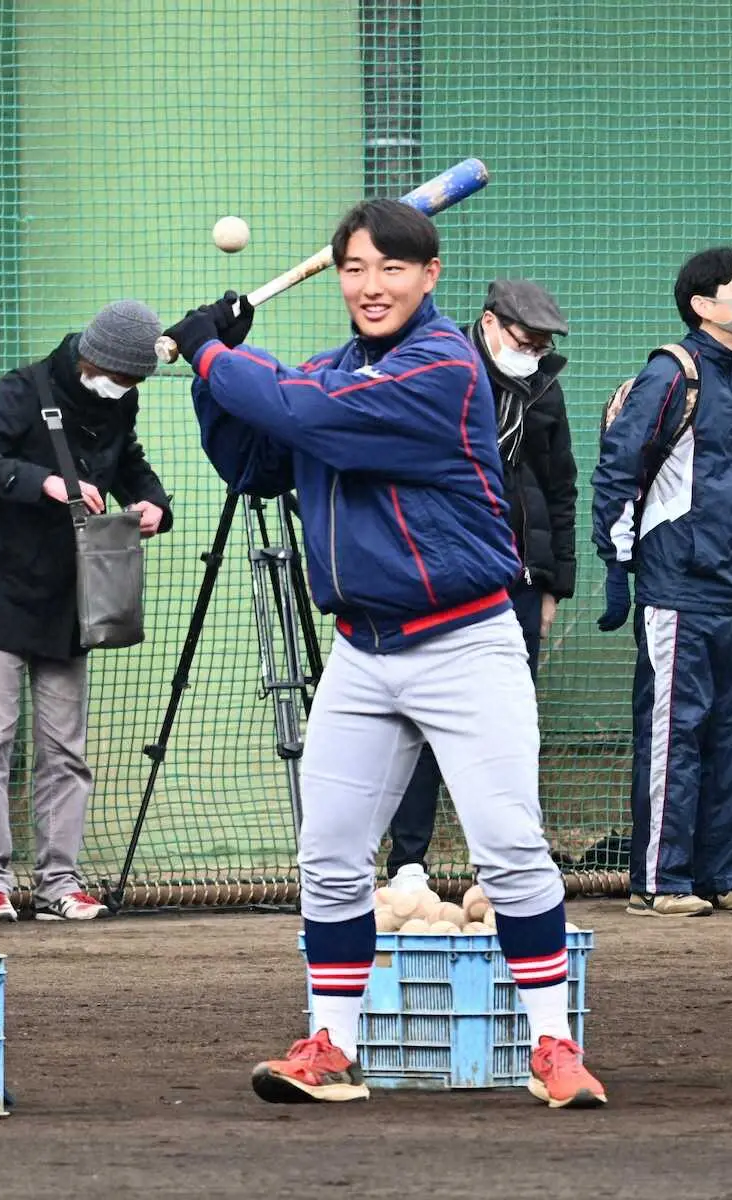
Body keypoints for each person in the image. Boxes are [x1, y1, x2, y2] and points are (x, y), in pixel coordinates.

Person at [164, 199, 605, 1108]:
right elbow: (255, 462)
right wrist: (215, 378)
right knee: (328, 858)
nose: (371, 286)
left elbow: (307, 415)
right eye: (355, 268)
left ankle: (554, 1047)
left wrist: (214, 352)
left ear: (429, 275)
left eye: (392, 268)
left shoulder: (442, 365)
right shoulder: (329, 370)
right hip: (362, 652)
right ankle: (332, 1046)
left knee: (508, 848)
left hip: (465, 641)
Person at [0, 300, 173, 923]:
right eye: (121, 376)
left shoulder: (120, 400)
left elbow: (129, 463)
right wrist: (43, 481)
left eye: (135, 381)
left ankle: (58, 884)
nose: (125, 388)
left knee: (66, 750)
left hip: (70, 601)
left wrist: (153, 503)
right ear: (95, 358)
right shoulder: (23, 389)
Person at [591, 248, 732, 918]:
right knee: (675, 730)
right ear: (702, 304)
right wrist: (616, 566)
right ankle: (660, 881)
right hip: (677, 584)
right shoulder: (671, 373)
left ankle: (724, 875)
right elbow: (618, 469)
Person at [386, 278, 576, 894]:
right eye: (527, 339)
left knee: (506, 725)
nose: (535, 353)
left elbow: (560, 488)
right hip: (436, 577)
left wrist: (553, 584)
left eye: (545, 344)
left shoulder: (544, 388)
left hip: (516, 580)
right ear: (490, 323)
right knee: (419, 722)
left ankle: (500, 866)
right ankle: (407, 863)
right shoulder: (442, 371)